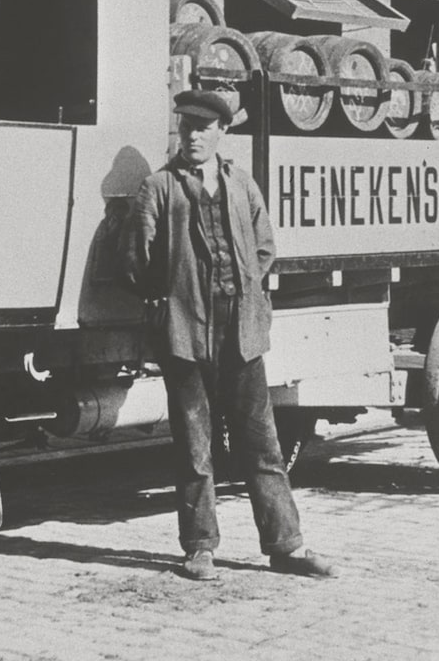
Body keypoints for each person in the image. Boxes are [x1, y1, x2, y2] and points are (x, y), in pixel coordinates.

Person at [124, 89, 338, 582]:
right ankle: (199, 547)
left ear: (222, 132)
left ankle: (287, 545)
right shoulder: (158, 188)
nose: (193, 135)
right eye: (186, 127)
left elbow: (264, 249)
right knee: (194, 447)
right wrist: (171, 300)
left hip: (240, 330)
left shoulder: (242, 184)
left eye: (203, 127)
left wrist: (240, 295)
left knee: (261, 443)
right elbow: (136, 260)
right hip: (184, 333)